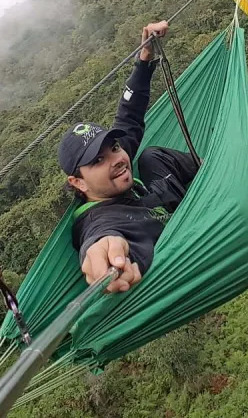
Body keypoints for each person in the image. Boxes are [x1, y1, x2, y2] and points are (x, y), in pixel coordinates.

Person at [58, 20, 199, 293]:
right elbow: (100, 241)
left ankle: (210, 171)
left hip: (160, 199)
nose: (117, 159)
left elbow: (129, 116)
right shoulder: (100, 221)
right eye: (98, 160)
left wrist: (144, 58)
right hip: (178, 233)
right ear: (78, 183)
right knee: (149, 161)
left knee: (149, 157)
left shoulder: (117, 171)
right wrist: (107, 256)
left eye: (113, 148)